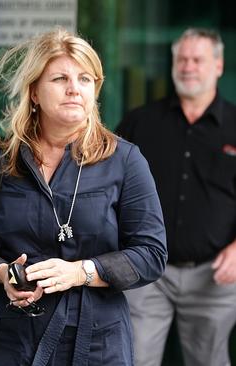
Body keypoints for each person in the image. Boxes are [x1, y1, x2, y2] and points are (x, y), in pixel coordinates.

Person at [0, 28, 167, 365]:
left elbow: (151, 253)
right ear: (34, 92)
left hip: (95, 343)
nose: (73, 89)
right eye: (60, 78)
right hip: (6, 339)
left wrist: (84, 271)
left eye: (85, 79)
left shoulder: (125, 160)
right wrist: (4, 273)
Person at [117, 28, 236, 366]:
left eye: (197, 59)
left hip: (215, 274)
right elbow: (111, 185)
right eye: (181, 59)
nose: (188, 66)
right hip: (146, 271)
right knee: (133, 358)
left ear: (218, 66)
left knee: (209, 362)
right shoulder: (140, 122)